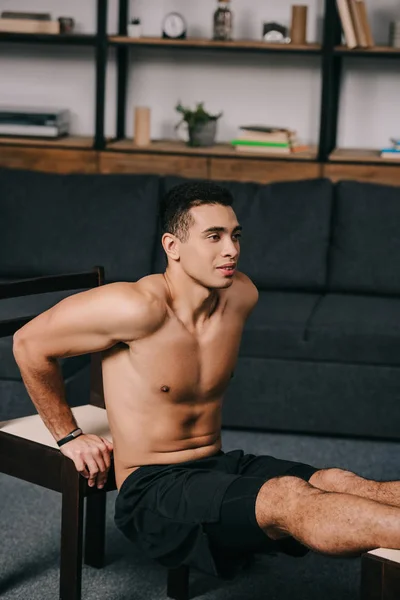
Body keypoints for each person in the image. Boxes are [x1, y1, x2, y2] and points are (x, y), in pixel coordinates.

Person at [13, 181, 400, 580]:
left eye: (235, 235)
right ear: (172, 246)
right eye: (213, 237)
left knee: (338, 480)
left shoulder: (241, 296)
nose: (231, 249)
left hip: (217, 464)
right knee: (288, 497)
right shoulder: (134, 308)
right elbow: (28, 344)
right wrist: (69, 435)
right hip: (153, 487)